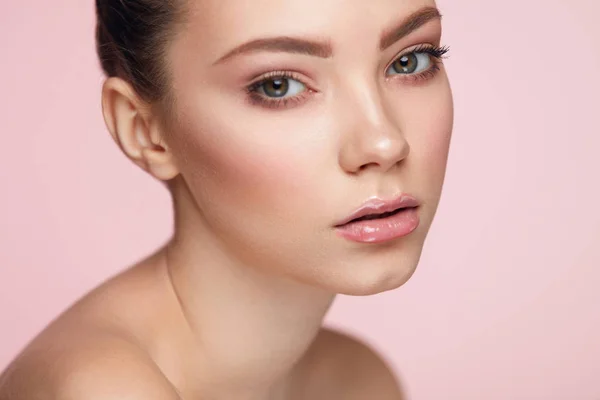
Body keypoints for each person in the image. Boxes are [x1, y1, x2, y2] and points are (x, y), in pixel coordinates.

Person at [0, 0, 453, 398]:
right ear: (145, 132)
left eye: (410, 60)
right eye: (279, 85)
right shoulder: (99, 390)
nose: (384, 143)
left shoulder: (356, 381)